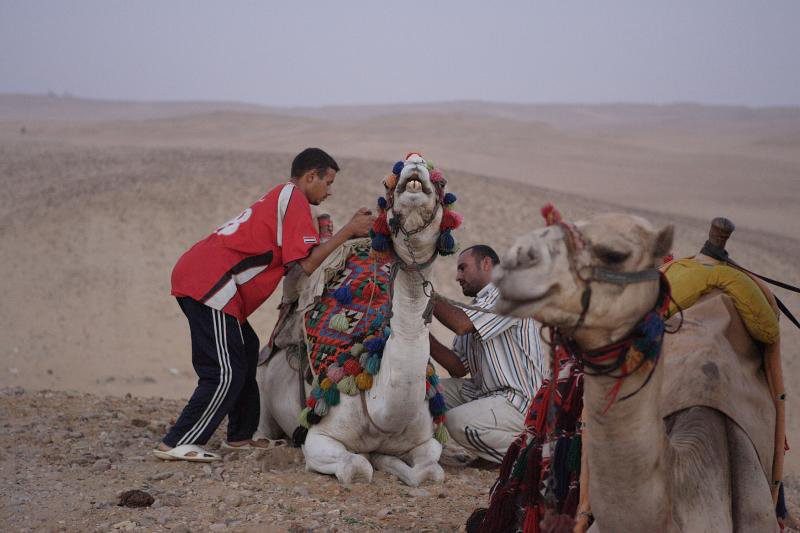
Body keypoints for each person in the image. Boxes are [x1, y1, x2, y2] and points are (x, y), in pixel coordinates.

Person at [154, 148, 374, 462]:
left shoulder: (286, 200)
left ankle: (241, 436)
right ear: (310, 176)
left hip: (213, 283)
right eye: (327, 182)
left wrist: (334, 235)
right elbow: (307, 265)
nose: (330, 191)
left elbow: (301, 258)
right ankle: (179, 441)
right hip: (209, 283)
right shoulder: (295, 198)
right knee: (224, 371)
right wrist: (349, 230)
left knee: (246, 348)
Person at [429, 244, 548, 466]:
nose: (457, 277)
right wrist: (421, 336)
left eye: (463, 268)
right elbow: (457, 368)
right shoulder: (477, 307)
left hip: (519, 403)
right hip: (485, 394)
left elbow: (462, 325)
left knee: (457, 422)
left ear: (486, 264)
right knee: (426, 393)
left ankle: (531, 454)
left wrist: (424, 292)